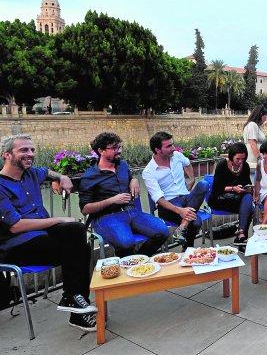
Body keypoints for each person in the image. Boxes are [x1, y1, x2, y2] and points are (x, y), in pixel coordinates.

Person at [0, 134, 97, 331]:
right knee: (78, 249)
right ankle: (76, 304)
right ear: (7, 155)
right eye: (23, 150)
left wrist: (62, 177)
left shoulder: (32, 173)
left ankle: (74, 300)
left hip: (43, 235)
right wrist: (60, 219)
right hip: (17, 245)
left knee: (78, 231)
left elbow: (48, 172)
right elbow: (15, 226)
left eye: (32, 150)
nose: (30, 154)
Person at [79, 132, 168, 257]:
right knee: (126, 243)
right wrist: (112, 200)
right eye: (114, 148)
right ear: (101, 151)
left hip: (132, 212)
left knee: (163, 231)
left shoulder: (123, 165)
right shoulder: (89, 176)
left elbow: (130, 177)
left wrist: (134, 180)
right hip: (106, 217)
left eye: (120, 147)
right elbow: (85, 209)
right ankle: (130, 266)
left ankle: (140, 259)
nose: (119, 151)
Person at [142, 132, 209, 249]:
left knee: (203, 184)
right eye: (168, 146)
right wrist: (179, 211)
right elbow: (159, 199)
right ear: (158, 150)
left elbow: (187, 163)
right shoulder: (149, 172)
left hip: (186, 198)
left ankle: (182, 227)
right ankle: (188, 249)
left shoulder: (177, 156)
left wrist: (192, 179)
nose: (173, 148)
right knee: (196, 222)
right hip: (169, 205)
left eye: (172, 145)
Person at [208, 142, 254, 246]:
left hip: (237, 199)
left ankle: (241, 235)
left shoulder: (245, 166)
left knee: (248, 200)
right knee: (248, 207)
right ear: (231, 156)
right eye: (238, 159)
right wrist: (233, 189)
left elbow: (247, 183)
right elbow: (217, 188)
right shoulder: (222, 165)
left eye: (243, 159)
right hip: (219, 199)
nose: (240, 161)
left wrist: (247, 188)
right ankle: (241, 237)